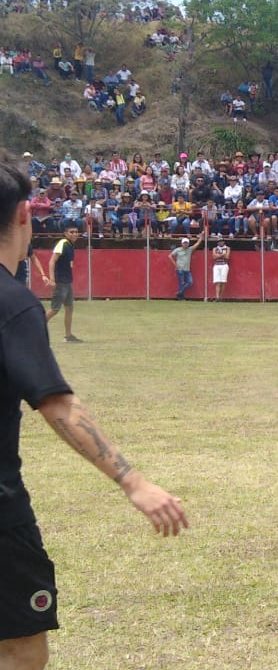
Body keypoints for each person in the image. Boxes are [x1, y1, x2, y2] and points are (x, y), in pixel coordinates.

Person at [0, 161, 189, 670]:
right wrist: (133, 481)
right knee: (19, 643)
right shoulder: (12, 305)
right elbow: (56, 402)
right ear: (24, 215)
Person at [43, 226, 81, 342]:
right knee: (55, 309)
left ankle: (68, 336)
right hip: (60, 281)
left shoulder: (70, 245)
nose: (74, 234)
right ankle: (34, 329)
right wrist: (52, 279)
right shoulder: (63, 243)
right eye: (71, 232)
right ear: (65, 233)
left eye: (76, 232)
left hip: (67, 281)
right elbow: (52, 261)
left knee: (69, 308)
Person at [169, 232, 204, 300]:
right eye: (184, 243)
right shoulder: (178, 249)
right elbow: (170, 256)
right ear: (182, 243)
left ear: (188, 244)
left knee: (190, 282)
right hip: (180, 269)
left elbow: (197, 243)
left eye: (186, 243)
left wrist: (201, 237)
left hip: (187, 269)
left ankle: (180, 293)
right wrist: (175, 264)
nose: (185, 244)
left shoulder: (190, 249)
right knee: (182, 283)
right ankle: (180, 296)